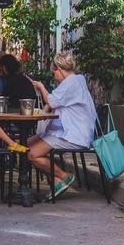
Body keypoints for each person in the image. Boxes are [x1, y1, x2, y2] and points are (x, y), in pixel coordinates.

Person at [27, 50, 97, 200]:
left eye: (54, 73)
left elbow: (52, 101)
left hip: (73, 135)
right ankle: (57, 181)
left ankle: (64, 177)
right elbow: (56, 102)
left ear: (59, 70)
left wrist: (41, 87)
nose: (55, 77)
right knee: (27, 144)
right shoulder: (77, 80)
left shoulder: (71, 82)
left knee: (31, 153)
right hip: (71, 131)